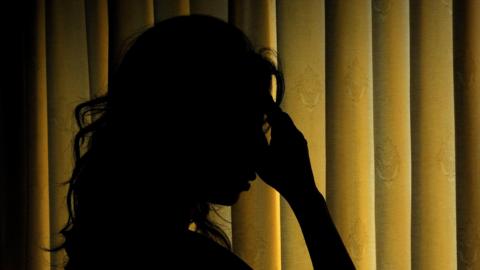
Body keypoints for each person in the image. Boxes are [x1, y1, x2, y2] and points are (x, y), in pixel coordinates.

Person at [55, 15, 355, 269]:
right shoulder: (190, 261)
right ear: (197, 122)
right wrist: (306, 200)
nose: (260, 149)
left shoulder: (105, 247)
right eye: (247, 123)